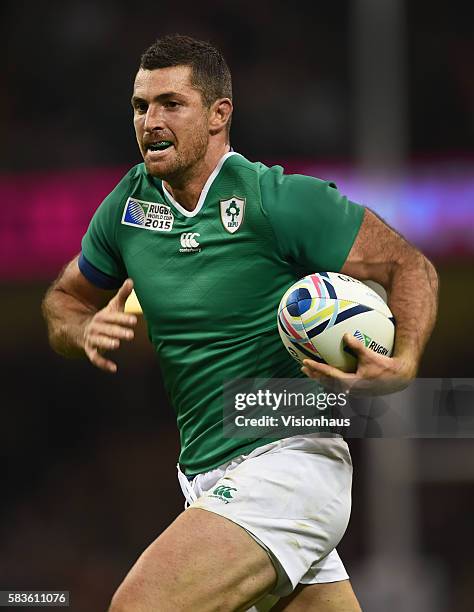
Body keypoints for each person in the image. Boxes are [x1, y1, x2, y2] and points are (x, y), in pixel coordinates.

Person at [42, 34, 438, 611]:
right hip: (207, 474)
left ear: (218, 114)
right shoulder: (128, 207)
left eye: (171, 104)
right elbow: (63, 298)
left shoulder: (277, 200)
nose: (150, 120)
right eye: (140, 106)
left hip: (286, 463)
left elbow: (411, 266)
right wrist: (79, 329)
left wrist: (402, 365)